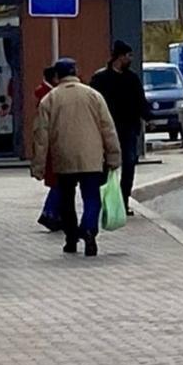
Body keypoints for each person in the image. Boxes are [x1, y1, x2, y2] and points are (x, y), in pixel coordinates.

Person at [32, 58, 121, 257]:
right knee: (91, 198)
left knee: (66, 200)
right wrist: (114, 156)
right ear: (76, 72)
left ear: (57, 76)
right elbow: (108, 129)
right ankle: (89, 229)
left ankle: (71, 239)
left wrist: (38, 166)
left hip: (63, 158)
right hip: (91, 157)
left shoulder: (50, 99)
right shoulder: (93, 96)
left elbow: (41, 136)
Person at [90, 41, 149, 214]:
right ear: (120, 57)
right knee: (105, 166)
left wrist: (148, 117)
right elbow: (94, 104)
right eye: (128, 56)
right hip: (106, 129)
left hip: (128, 128)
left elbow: (140, 100)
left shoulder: (131, 78)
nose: (130, 59)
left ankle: (123, 201)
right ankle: (103, 199)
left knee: (129, 163)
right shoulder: (101, 78)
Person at [34, 65, 62, 231]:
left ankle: (52, 213)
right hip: (55, 147)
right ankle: (50, 213)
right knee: (60, 184)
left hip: (52, 146)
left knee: (58, 184)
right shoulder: (50, 97)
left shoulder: (44, 95)